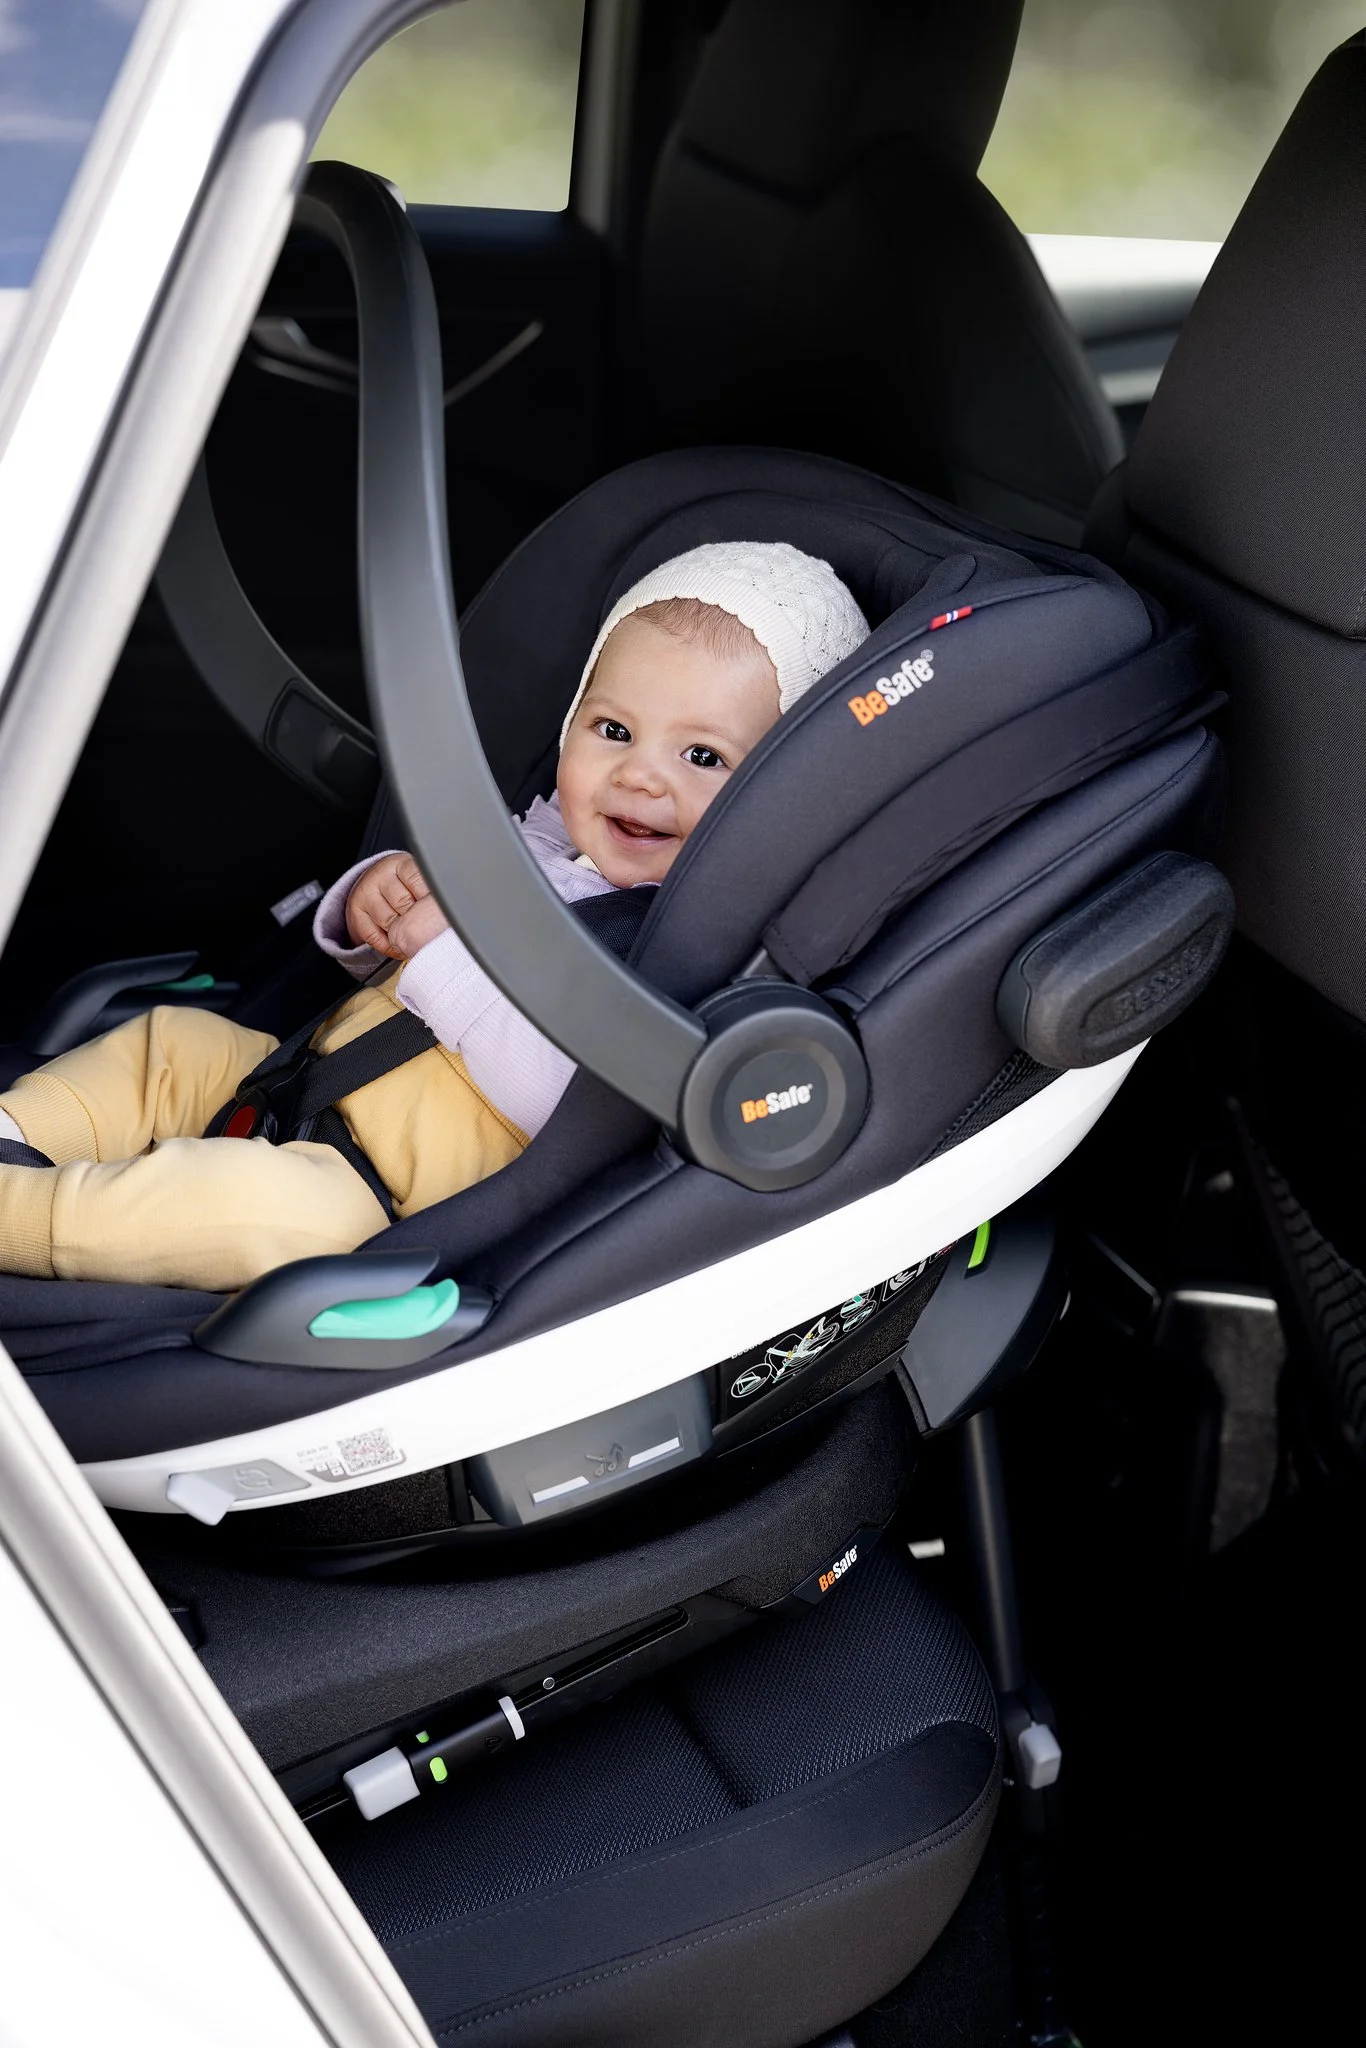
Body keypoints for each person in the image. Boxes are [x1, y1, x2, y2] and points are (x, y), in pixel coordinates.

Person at [0, 543, 868, 1290]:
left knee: (243, 1211)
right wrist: (375, 904)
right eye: (612, 730)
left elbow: (568, 1100)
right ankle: (19, 1130)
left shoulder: (684, 950)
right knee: (173, 1045)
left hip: (374, 1201)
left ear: (772, 804)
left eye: (702, 755)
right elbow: (385, 969)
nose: (641, 775)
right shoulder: (524, 843)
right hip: (294, 1079)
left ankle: (28, 1216)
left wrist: (441, 959)